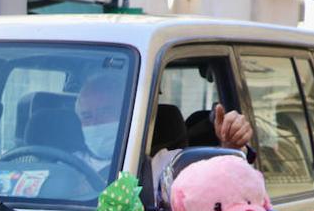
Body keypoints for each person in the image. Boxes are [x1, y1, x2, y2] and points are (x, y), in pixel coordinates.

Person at [74, 72, 254, 178]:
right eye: (87, 116)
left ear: (128, 114)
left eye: (106, 112)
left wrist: (230, 149)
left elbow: (218, 188)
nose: (96, 123)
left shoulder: (170, 163)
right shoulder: (64, 164)